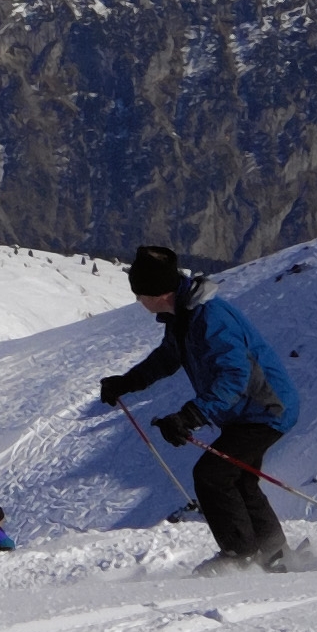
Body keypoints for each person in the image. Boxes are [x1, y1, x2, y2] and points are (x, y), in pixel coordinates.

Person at [97, 240, 299, 569]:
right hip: (249, 411)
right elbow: (167, 359)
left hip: (265, 408)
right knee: (239, 478)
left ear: (156, 293)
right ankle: (274, 554)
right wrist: (126, 383)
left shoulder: (210, 319)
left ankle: (240, 557)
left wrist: (191, 415)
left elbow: (236, 376)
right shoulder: (184, 315)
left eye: (139, 294)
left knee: (213, 475)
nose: (137, 301)